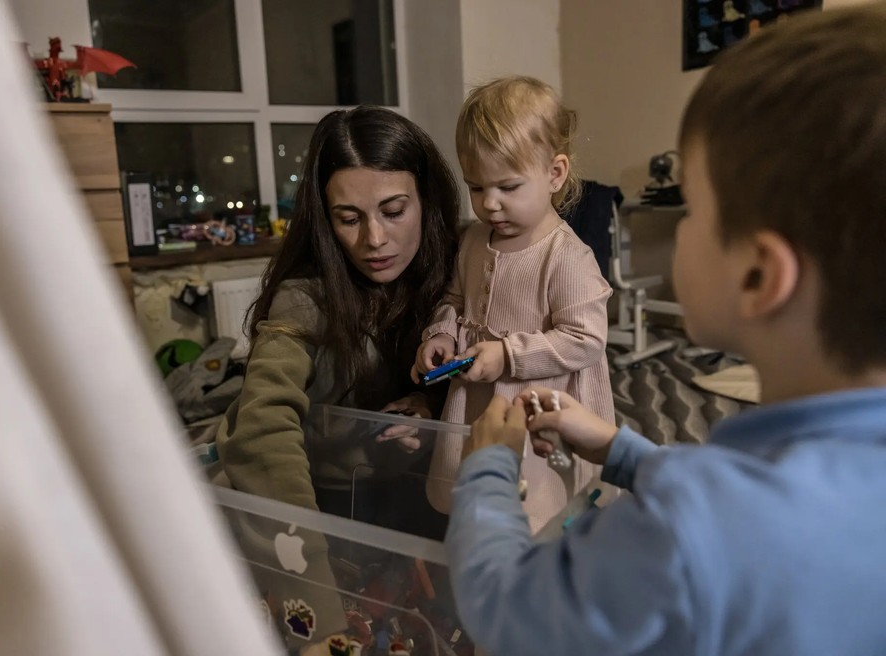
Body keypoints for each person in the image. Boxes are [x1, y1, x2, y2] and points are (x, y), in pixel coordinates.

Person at [444, 5, 886, 655]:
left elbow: (505, 610)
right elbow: (747, 493)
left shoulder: (682, 531)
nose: (680, 228)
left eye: (693, 209)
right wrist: (624, 452)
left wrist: (485, 469)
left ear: (760, 276)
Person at [215, 105, 459, 530]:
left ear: (427, 201)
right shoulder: (303, 298)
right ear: (327, 222)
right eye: (349, 219)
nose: (375, 239)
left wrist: (429, 405)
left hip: (430, 486)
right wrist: (305, 555)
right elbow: (262, 426)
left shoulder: (457, 271)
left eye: (395, 211)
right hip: (333, 501)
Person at [413, 76, 614, 532]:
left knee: (535, 505)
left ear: (555, 174)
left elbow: (586, 340)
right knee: (476, 498)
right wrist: (441, 332)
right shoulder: (473, 240)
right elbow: (454, 297)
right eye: (476, 187)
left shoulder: (567, 256)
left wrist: (507, 355)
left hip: (538, 405)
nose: (490, 204)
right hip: (476, 398)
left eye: (507, 187)